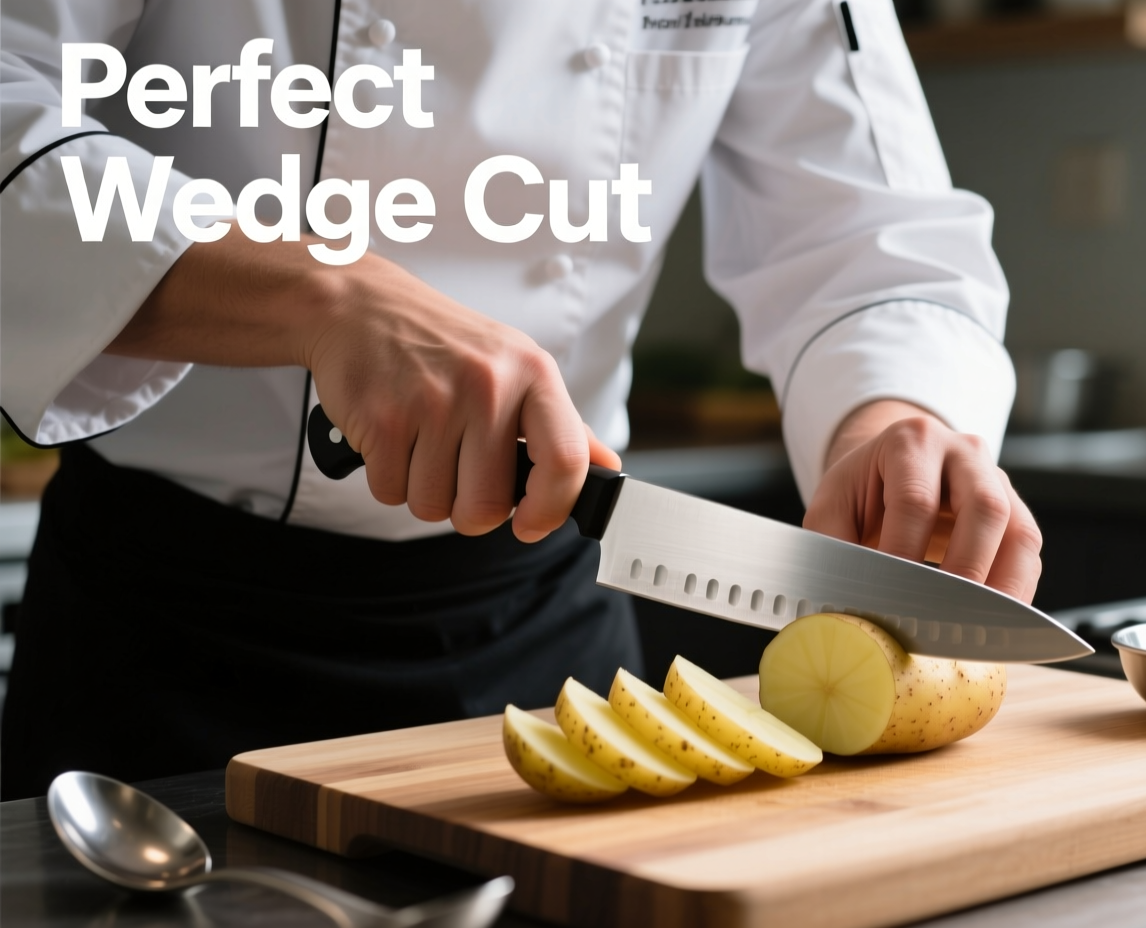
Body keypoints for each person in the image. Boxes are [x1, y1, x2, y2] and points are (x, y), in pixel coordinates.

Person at [0, 0, 1039, 799]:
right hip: (166, 643)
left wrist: (898, 409)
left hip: (547, 639)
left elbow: (864, 227)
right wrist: (320, 291)